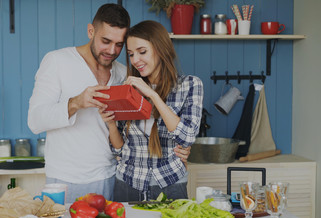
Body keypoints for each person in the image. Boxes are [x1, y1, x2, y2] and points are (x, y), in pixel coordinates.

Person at [28, 4, 190, 203]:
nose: (112, 50)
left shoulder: (124, 74)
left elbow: (138, 132)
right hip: (66, 177)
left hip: (112, 177)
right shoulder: (56, 61)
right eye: (106, 41)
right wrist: (76, 103)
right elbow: (35, 121)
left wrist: (179, 147)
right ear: (90, 31)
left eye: (119, 44)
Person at [99, 20, 204, 202]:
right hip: (127, 184)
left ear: (160, 48)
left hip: (170, 183)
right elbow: (120, 151)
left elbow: (186, 137)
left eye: (142, 52)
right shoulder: (128, 89)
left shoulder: (190, 85)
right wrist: (110, 124)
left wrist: (153, 95)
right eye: (131, 54)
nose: (135, 60)